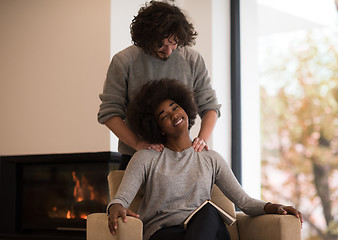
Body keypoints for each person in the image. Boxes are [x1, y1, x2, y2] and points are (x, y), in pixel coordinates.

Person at [107, 79, 303, 240]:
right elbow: (121, 199)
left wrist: (274, 207)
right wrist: (115, 207)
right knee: (208, 216)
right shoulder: (146, 158)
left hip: (206, 230)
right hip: (165, 234)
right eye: (164, 116)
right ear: (157, 127)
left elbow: (244, 201)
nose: (174, 114)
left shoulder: (211, 158)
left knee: (208, 213)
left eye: (175, 107)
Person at [97, 1, 221, 169]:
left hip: (181, 158)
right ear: (146, 38)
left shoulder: (192, 59)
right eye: (161, 44)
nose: (168, 51)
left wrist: (201, 140)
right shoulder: (125, 61)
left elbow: (210, 107)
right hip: (137, 158)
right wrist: (138, 144)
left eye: (174, 43)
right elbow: (109, 113)